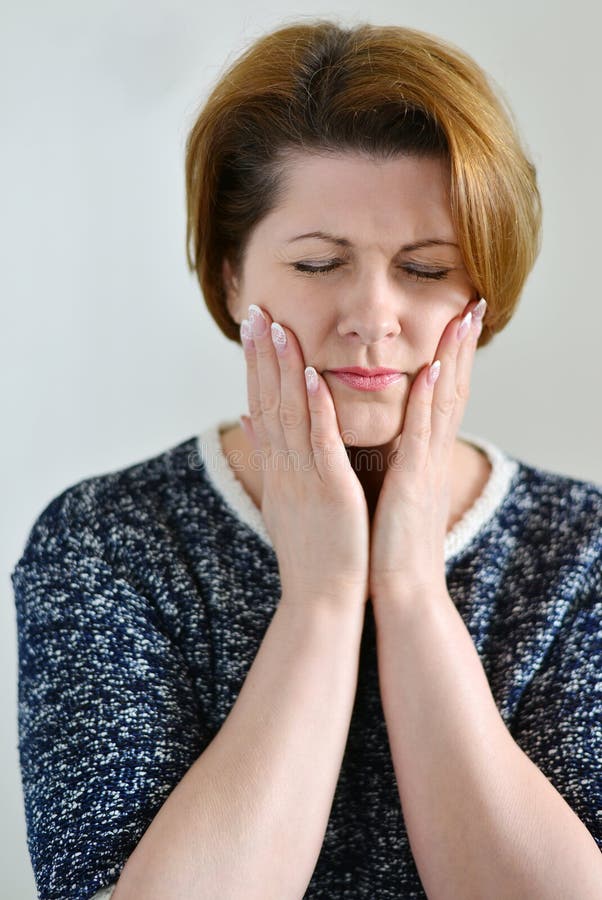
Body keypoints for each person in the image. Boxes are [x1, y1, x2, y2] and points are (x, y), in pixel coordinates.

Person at [11, 18, 602, 900]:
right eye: (320, 264)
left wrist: (406, 588)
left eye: (426, 268)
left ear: (487, 287)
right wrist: (322, 601)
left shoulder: (580, 548)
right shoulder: (106, 542)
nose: (372, 316)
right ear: (230, 279)